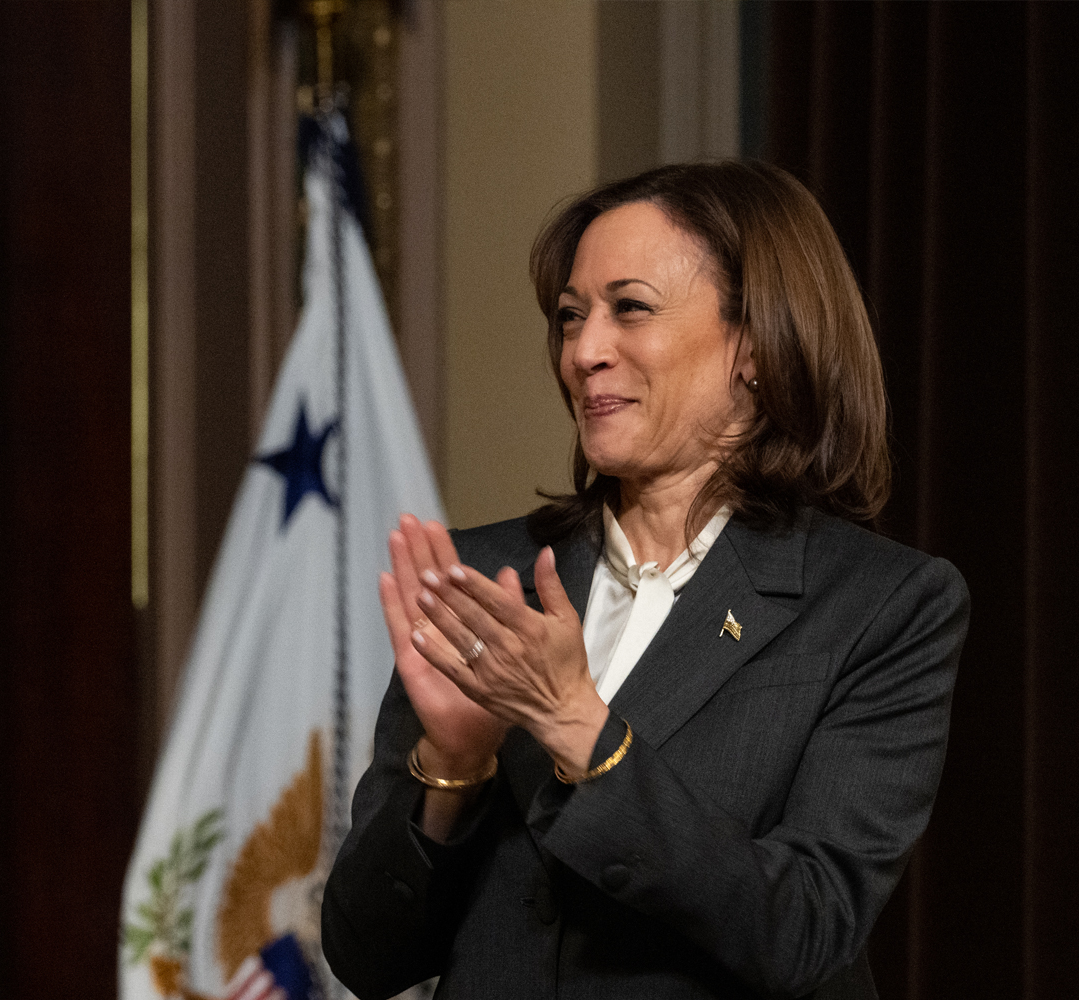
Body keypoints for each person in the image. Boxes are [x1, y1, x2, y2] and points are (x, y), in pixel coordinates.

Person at [321, 161, 968, 999]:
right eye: (569, 317)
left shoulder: (881, 606)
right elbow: (365, 957)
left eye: (631, 308)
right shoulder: (489, 580)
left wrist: (580, 731)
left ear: (758, 347)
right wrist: (453, 767)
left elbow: (806, 928)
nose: (585, 351)